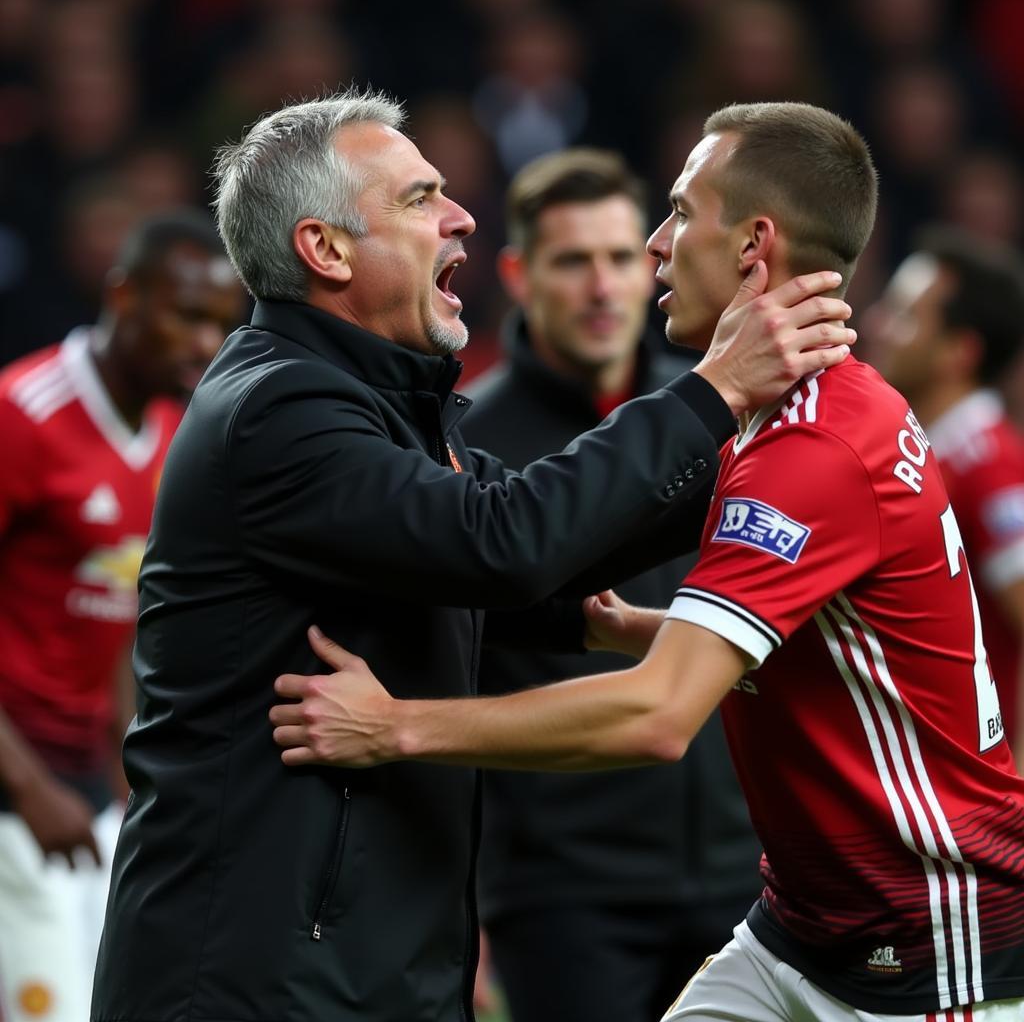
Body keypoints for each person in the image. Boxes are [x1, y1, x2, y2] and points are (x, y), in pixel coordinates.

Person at [90, 89, 856, 1022]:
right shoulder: (276, 412)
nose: (459, 216)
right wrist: (714, 395)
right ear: (324, 250)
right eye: (418, 200)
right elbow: (503, 542)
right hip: (253, 976)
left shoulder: (384, 404)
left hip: (368, 958)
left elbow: (530, 550)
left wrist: (779, 449)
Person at [272, 101, 1024, 1022]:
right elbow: (835, 649)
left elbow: (661, 716)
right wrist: (632, 628)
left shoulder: (814, 448)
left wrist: (397, 727)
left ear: (754, 243)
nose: (658, 244)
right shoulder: (805, 413)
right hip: (800, 930)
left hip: (927, 938)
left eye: (678, 212)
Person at [462, 147, 762, 1022]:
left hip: (745, 874)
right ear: (519, 275)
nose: (603, 287)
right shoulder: (466, 443)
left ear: (653, 263)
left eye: (622, 257)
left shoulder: (725, 413)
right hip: (561, 894)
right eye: (572, 260)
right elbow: (446, 661)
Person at [0, 209, 242, 1022]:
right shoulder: (22, 416)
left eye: (220, 323)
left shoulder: (176, 434)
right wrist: (30, 789)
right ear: (123, 294)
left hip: (86, 795)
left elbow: (123, 616)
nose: (204, 343)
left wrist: (130, 769)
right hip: (16, 789)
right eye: (185, 314)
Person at [868, 226, 1024, 773]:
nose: (878, 325)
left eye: (906, 315)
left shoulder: (991, 466)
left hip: (976, 792)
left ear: (960, 352)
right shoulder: (933, 454)